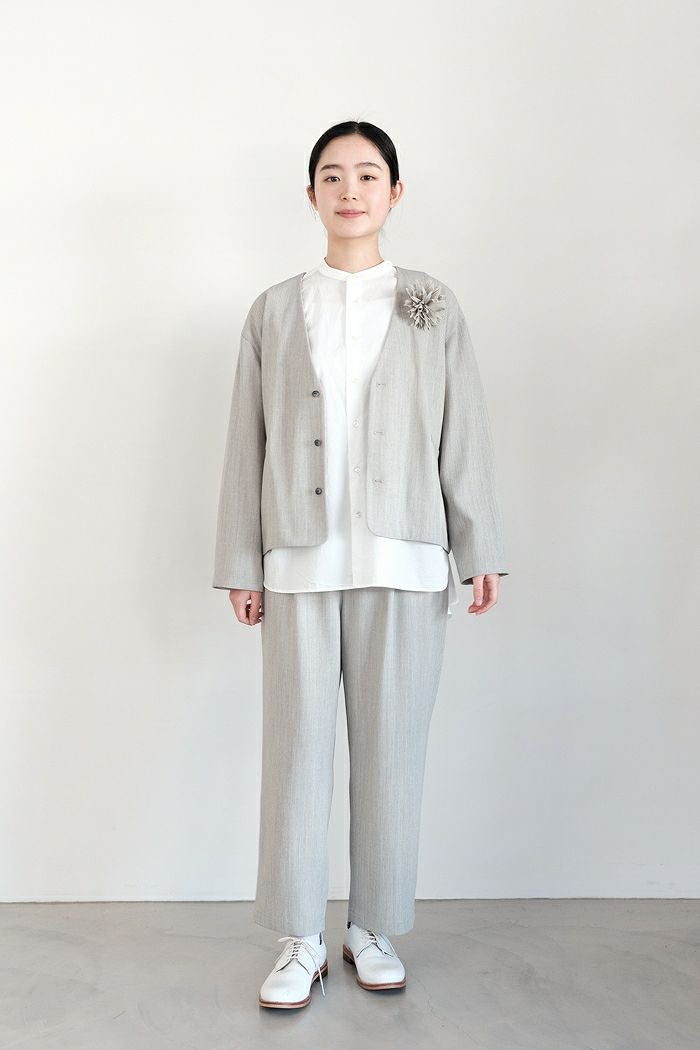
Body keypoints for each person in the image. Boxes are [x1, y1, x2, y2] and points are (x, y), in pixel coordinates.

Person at [212, 119, 509, 1010]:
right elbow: (246, 441)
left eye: (368, 174)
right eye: (333, 176)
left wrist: (479, 546)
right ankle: (300, 936)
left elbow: (463, 431)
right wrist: (241, 561)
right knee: (296, 754)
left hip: (406, 557)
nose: (351, 190)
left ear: (395, 191)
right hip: (298, 562)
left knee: (391, 756)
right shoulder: (274, 309)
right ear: (311, 194)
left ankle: (371, 927)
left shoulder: (432, 304)